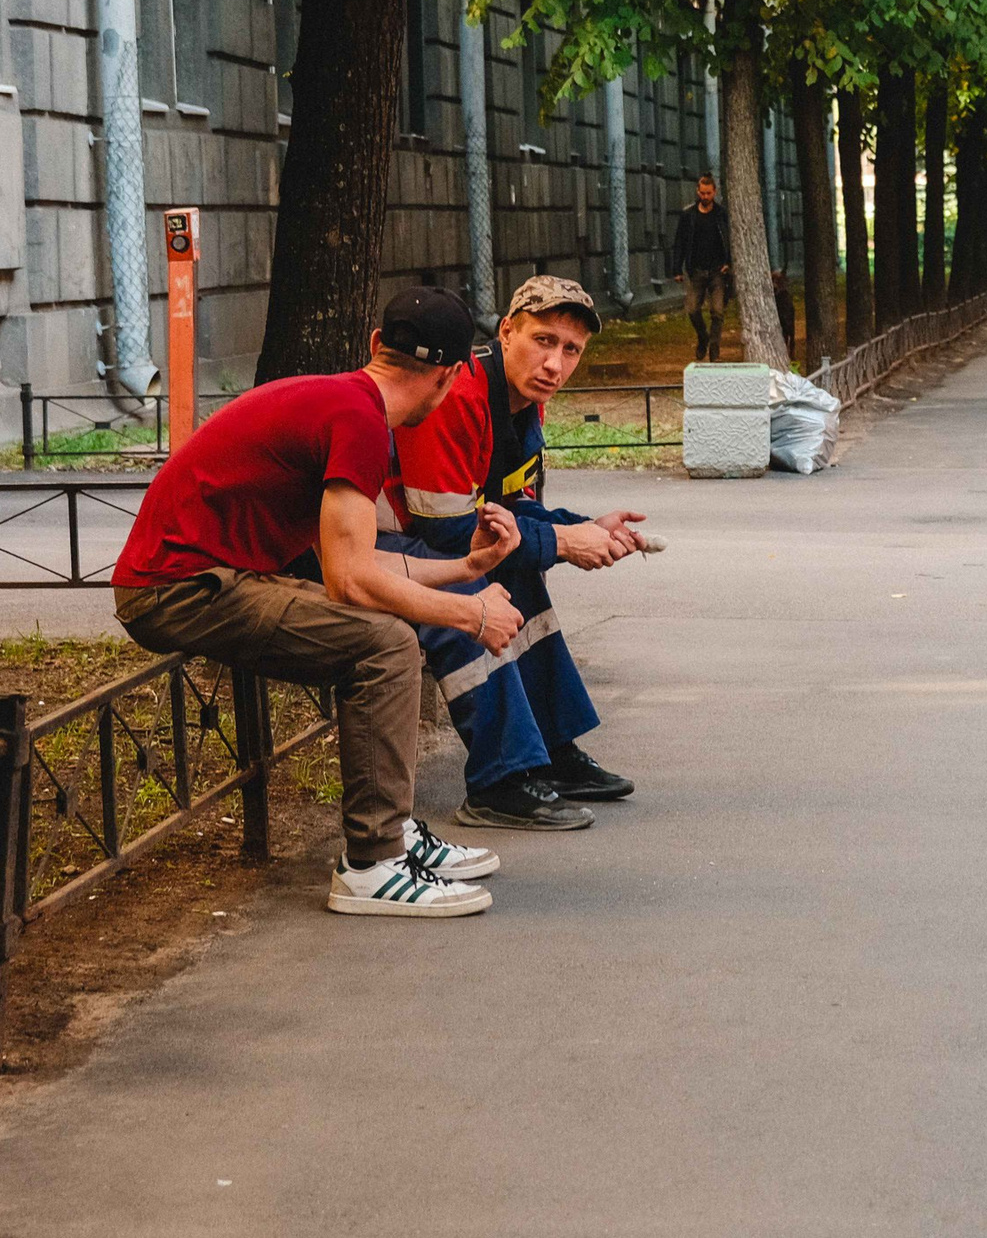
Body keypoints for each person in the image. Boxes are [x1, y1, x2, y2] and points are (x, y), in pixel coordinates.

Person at [113, 287, 525, 920]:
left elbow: (355, 556)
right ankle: (372, 865)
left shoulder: (343, 401)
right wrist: (471, 614)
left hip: (205, 577)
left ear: (374, 347)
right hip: (179, 591)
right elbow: (352, 581)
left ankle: (391, 832)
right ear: (448, 377)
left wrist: (465, 570)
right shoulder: (360, 422)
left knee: (383, 632)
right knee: (386, 644)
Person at [392, 276, 647, 831]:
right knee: (468, 594)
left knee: (522, 576)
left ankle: (549, 753)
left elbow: (508, 510)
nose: (555, 363)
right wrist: (560, 542)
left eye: (571, 349)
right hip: (373, 544)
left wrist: (586, 529)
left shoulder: (523, 400)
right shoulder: (457, 394)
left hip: (415, 538)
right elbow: (451, 538)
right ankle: (498, 782)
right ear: (507, 332)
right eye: (543, 340)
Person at [667, 172, 731, 361]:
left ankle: (714, 348)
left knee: (718, 312)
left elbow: (729, 240)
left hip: (718, 271)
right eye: (702, 193)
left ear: (714, 192)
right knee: (693, 309)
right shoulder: (689, 216)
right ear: (697, 191)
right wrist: (677, 269)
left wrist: (729, 262)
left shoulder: (721, 214)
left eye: (708, 193)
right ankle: (703, 337)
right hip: (695, 270)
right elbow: (680, 242)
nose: (705, 197)